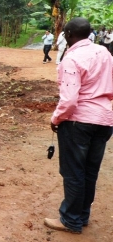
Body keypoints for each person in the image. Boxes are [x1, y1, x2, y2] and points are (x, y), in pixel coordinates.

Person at [44, 17, 113, 234]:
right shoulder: (104, 53)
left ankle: (70, 220)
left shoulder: (71, 59)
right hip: (104, 120)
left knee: (74, 171)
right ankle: (82, 215)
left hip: (78, 122)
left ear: (68, 34)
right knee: (90, 171)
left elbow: (70, 100)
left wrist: (56, 119)